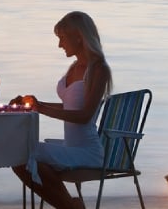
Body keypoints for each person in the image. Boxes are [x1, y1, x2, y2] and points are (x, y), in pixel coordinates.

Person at [13, 11, 113, 209]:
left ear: (78, 36)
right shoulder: (74, 67)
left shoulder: (98, 69)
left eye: (62, 38)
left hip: (87, 153)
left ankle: (70, 207)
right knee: (27, 158)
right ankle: (71, 206)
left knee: (21, 154)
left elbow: (84, 116)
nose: (60, 45)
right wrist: (36, 103)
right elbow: (70, 106)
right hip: (70, 147)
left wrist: (40, 108)